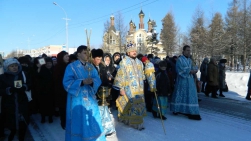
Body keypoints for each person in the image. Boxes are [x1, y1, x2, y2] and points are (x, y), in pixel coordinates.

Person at [63, 45, 105, 141]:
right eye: (85, 53)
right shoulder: (71, 67)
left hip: (90, 99)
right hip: (78, 99)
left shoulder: (90, 66)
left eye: (88, 53)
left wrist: (93, 82)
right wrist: (82, 82)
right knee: (79, 120)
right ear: (78, 54)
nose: (87, 55)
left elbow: (97, 79)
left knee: (92, 118)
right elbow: (66, 82)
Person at [113, 42, 156, 130]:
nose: (134, 52)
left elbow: (143, 75)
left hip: (139, 89)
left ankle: (138, 122)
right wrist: (121, 88)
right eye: (132, 51)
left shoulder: (140, 62)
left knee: (138, 106)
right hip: (129, 89)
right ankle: (132, 122)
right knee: (130, 106)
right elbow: (120, 76)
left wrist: (148, 66)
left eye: (135, 50)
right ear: (128, 52)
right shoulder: (124, 62)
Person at [0, 58, 30, 141]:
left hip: (22, 102)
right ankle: (11, 135)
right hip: (9, 104)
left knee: (23, 122)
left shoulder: (23, 74)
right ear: (7, 67)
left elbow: (30, 83)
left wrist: (24, 87)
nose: (14, 67)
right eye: (11, 66)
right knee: (11, 122)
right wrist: (9, 90)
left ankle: (21, 137)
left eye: (16, 65)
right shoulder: (2, 77)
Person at [170, 45, 201, 120]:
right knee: (181, 94)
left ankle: (191, 110)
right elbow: (179, 70)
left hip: (190, 80)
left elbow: (195, 67)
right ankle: (177, 109)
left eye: (189, 51)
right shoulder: (179, 60)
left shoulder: (190, 60)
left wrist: (195, 70)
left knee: (191, 95)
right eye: (187, 50)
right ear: (183, 51)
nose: (188, 52)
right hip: (182, 81)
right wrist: (189, 71)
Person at [91, 49, 116, 137]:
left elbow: (105, 78)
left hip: (102, 92)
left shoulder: (102, 66)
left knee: (104, 110)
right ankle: (99, 129)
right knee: (97, 111)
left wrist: (106, 86)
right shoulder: (90, 67)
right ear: (93, 58)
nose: (99, 61)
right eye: (97, 59)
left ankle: (107, 129)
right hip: (93, 92)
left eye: (100, 59)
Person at [54, 51, 69, 129]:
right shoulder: (58, 67)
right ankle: (63, 123)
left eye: (68, 56)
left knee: (69, 108)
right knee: (63, 108)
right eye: (66, 56)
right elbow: (57, 81)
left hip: (69, 90)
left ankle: (69, 122)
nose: (68, 57)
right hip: (61, 91)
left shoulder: (69, 66)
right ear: (61, 57)